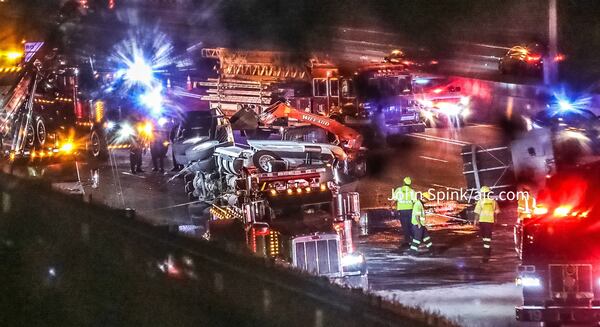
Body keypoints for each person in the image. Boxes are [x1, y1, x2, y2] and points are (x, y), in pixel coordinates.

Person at [474, 186, 500, 263]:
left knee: (486, 238)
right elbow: (497, 211)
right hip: (489, 221)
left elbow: (477, 212)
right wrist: (495, 219)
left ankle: (486, 255)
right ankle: (487, 250)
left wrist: (475, 221)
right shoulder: (493, 201)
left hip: (483, 221)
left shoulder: (480, 201)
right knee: (486, 237)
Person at [392, 176, 416, 248]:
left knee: (405, 226)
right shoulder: (412, 191)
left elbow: (394, 200)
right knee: (410, 225)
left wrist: (391, 207)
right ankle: (414, 239)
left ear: (403, 182)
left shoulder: (398, 190)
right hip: (410, 211)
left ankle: (407, 241)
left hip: (402, 211)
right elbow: (414, 202)